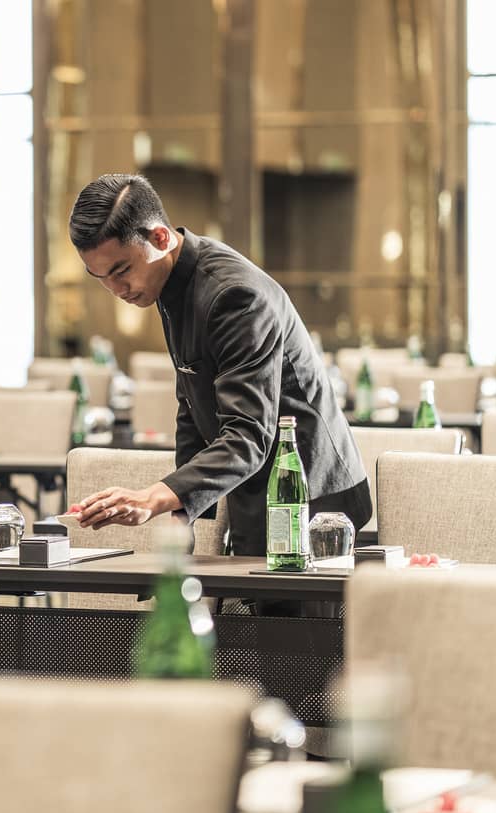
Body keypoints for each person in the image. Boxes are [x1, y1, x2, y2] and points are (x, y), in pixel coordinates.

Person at [68, 174, 371, 555]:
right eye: (101, 278)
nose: (116, 290)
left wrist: (155, 497)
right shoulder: (170, 282)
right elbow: (193, 404)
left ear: (160, 238)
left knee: (274, 616)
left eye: (121, 271)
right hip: (258, 486)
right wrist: (184, 513)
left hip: (310, 496)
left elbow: (247, 434)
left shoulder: (234, 296)